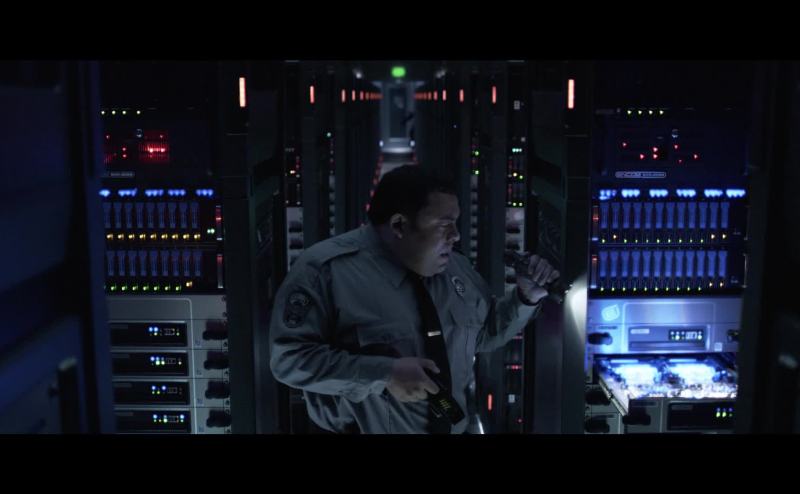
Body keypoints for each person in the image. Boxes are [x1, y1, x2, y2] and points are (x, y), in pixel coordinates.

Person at [269, 165, 559, 434]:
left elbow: (483, 334)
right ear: (399, 225)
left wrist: (525, 297)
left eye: (456, 223)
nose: (456, 236)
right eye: (445, 225)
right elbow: (289, 360)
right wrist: (384, 374)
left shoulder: (455, 267)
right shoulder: (325, 271)